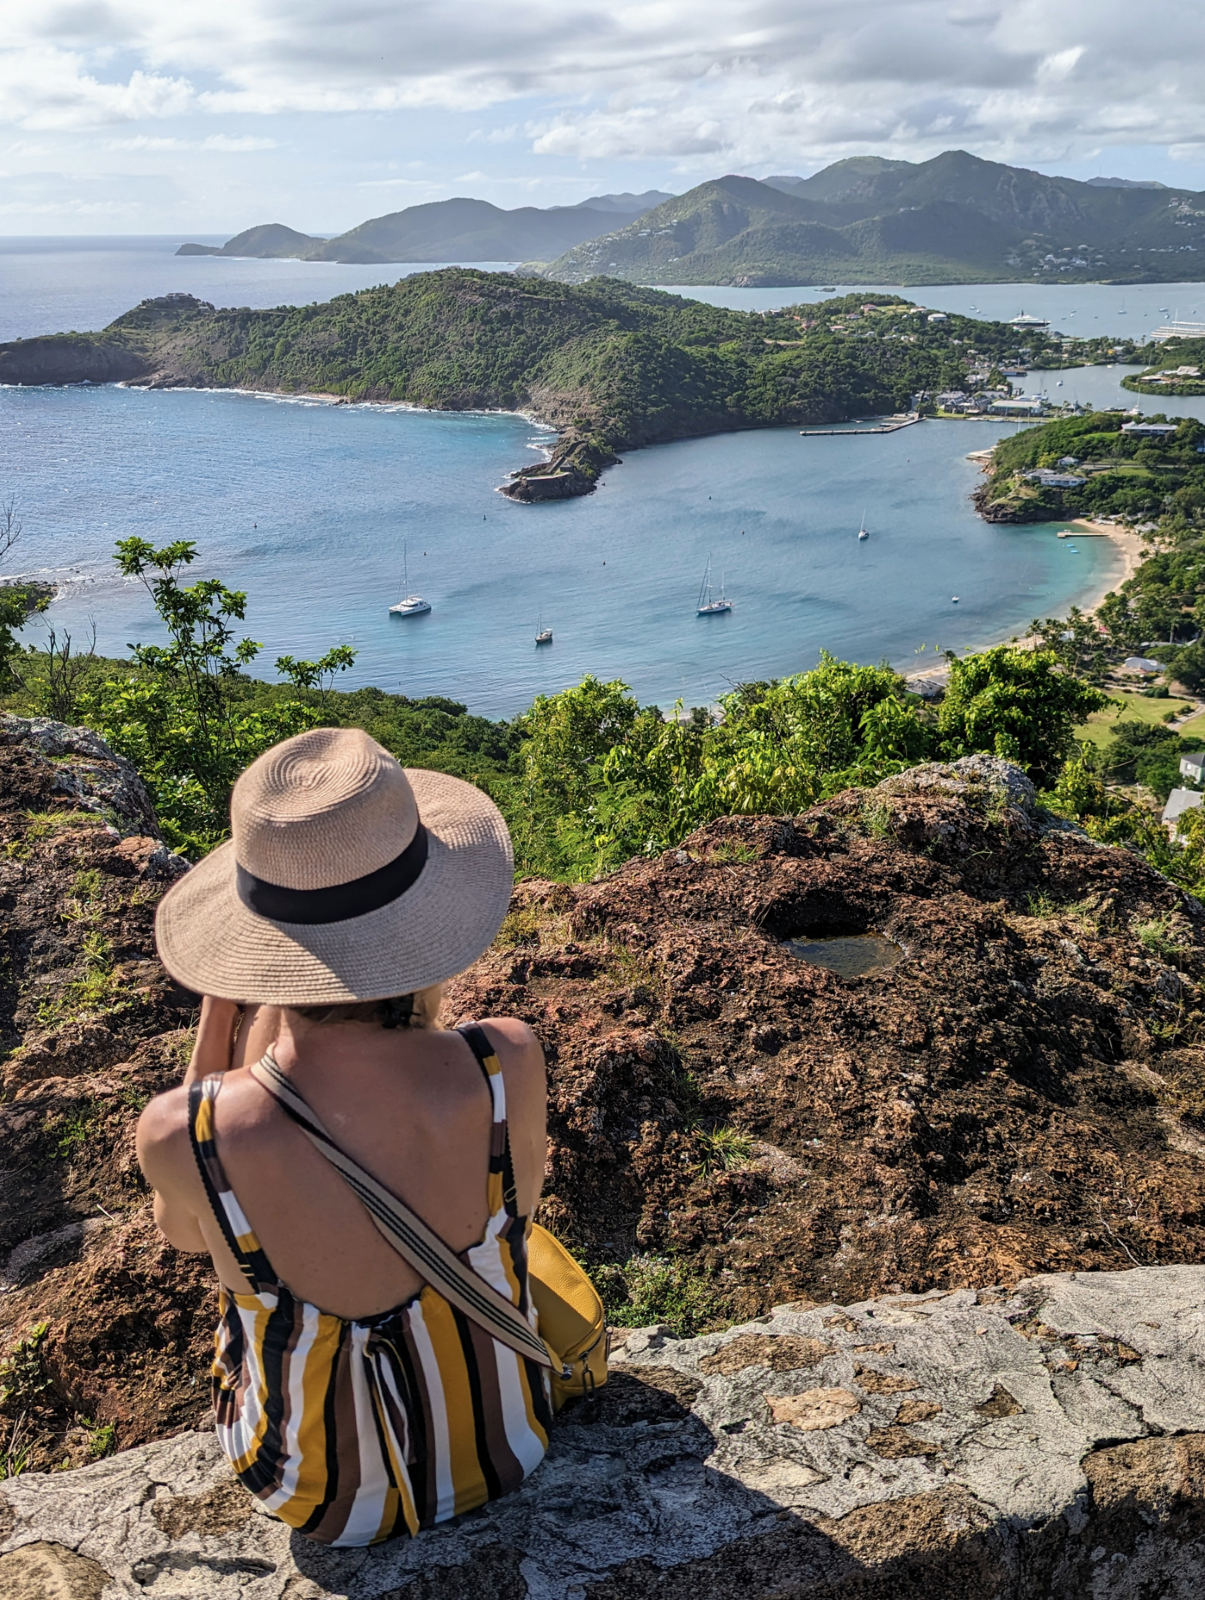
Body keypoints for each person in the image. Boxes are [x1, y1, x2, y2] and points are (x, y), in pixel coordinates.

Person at [137, 726, 551, 1547]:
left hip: (317, 1497)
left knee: (240, 1265)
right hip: (510, 1444)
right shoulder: (503, 1059)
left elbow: (190, 1238)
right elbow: (522, 1211)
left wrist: (227, 1004)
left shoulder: (184, 1129)